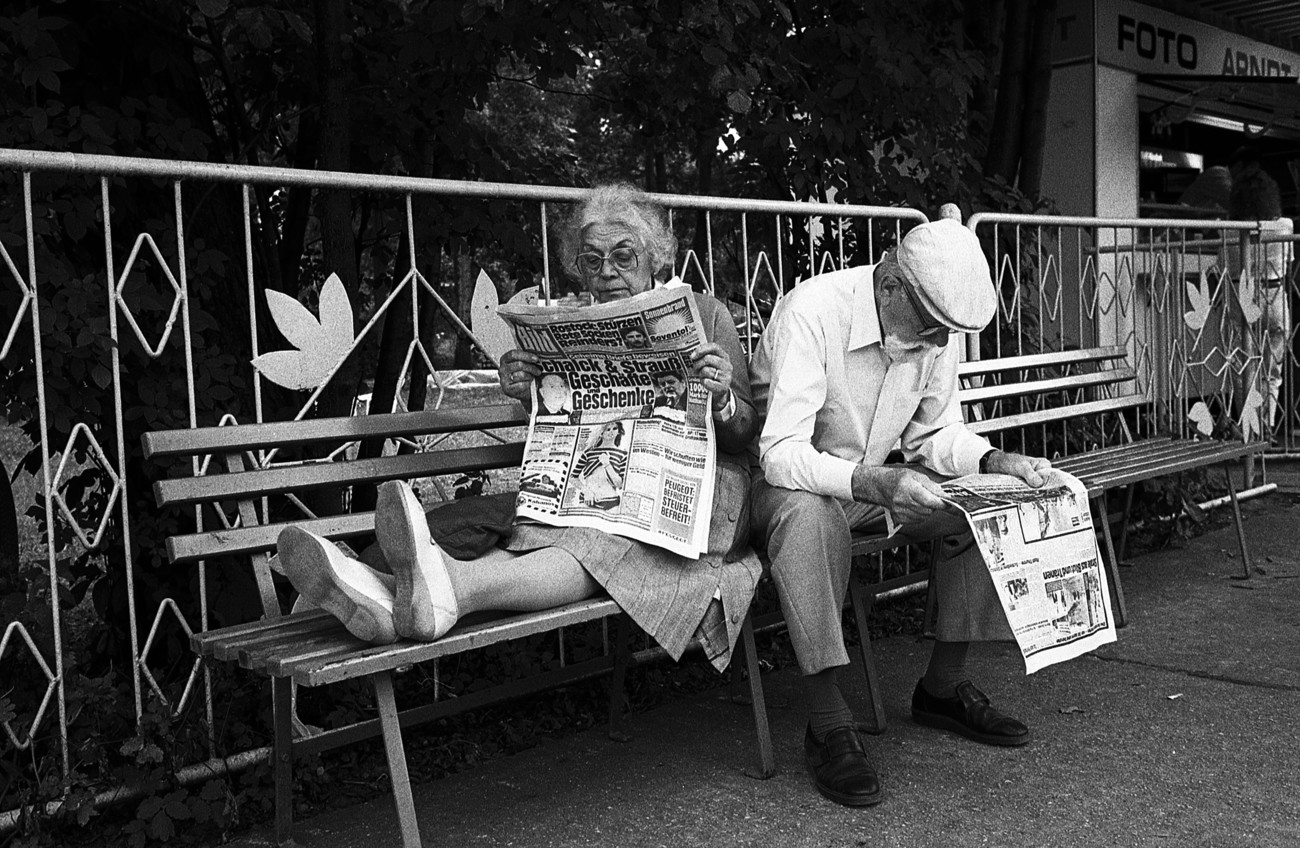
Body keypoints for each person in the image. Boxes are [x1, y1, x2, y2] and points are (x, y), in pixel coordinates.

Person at [276, 182, 762, 673]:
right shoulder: (572, 323)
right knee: (552, 534)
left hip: (694, 498)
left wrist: (720, 397)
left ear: (656, 257)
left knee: (593, 541)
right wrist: (529, 391)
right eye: (592, 260)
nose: (607, 272)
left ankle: (442, 589)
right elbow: (565, 426)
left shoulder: (704, 314)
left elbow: (744, 434)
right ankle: (388, 608)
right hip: (594, 491)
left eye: (623, 256)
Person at [749, 217, 1053, 808]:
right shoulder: (813, 311)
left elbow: (933, 432)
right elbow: (781, 454)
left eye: (947, 335)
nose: (939, 345)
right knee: (810, 517)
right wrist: (874, 481)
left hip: (872, 484)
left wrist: (994, 459)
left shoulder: (931, 325)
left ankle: (942, 687)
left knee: (977, 503)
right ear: (889, 284)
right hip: (784, 486)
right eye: (931, 330)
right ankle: (828, 721)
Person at [1227, 145, 1294, 436]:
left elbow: (1224, 266)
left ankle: (1248, 428)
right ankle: (1266, 426)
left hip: (1244, 296)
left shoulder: (1229, 229)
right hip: (1276, 296)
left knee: (1243, 368)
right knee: (1273, 369)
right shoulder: (1284, 225)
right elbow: (1289, 263)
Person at [572, 420, 628, 510]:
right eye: (607, 429)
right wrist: (586, 491)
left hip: (611, 503)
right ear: (601, 432)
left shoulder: (623, 454)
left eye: (615, 428)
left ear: (618, 431)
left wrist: (607, 464)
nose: (611, 432)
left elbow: (620, 484)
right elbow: (572, 477)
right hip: (587, 501)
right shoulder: (588, 453)